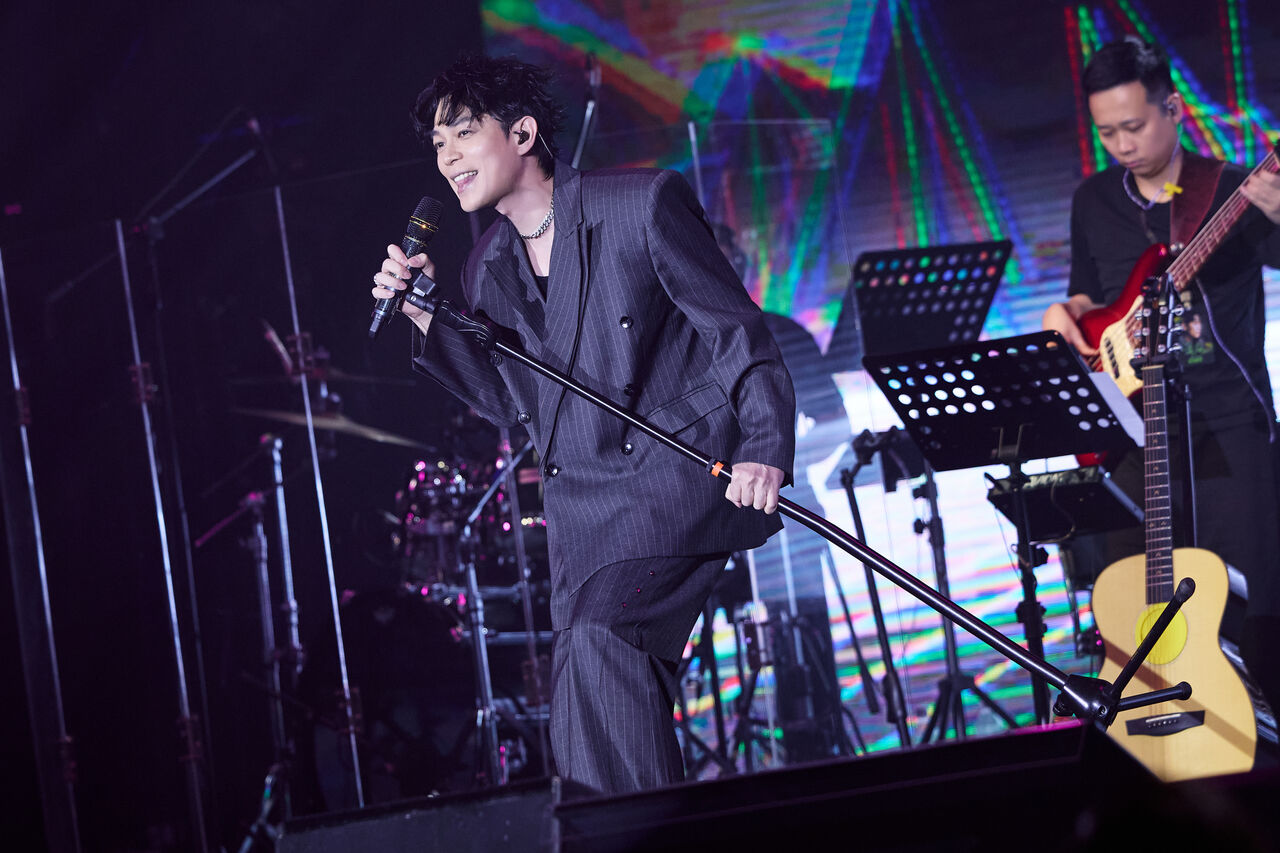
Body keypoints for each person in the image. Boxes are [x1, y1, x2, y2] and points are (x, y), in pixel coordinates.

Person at [371, 54, 796, 794]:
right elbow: (516, 403)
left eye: (464, 134)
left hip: (678, 479)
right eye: (438, 144)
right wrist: (426, 315)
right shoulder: (486, 267)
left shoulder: (640, 205)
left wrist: (764, 447)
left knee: (604, 638)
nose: (448, 158)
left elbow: (737, 333)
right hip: (586, 518)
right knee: (580, 708)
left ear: (523, 133)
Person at [1042, 36, 1280, 717]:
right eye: (1106, 132)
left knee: (1253, 612)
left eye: (1134, 126)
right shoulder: (1093, 199)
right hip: (1135, 435)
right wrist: (1065, 314)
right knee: (1139, 616)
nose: (1122, 144)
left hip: (1229, 424)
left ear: (1173, 109)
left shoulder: (1230, 187)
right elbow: (1087, 295)